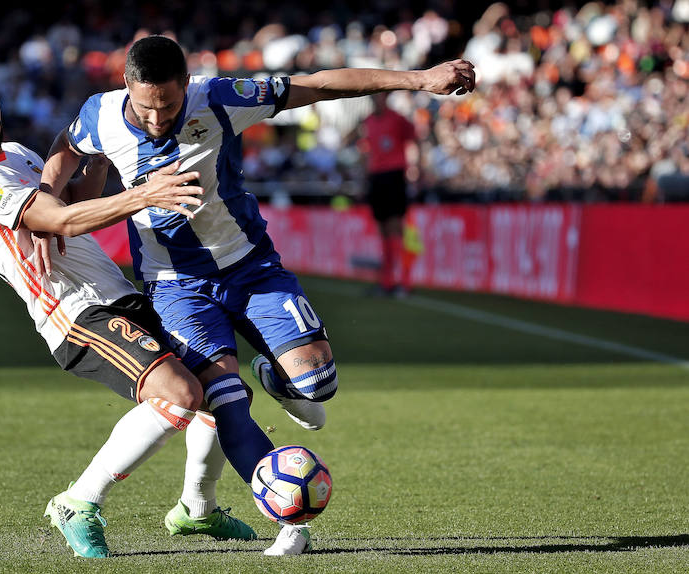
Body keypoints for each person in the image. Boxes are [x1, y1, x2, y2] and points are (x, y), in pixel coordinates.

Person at [41, 35, 476, 555]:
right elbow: (65, 151)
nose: (158, 119)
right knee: (226, 400)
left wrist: (422, 79)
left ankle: (276, 375)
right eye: (146, 106)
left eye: (170, 105)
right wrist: (47, 210)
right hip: (177, 288)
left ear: (187, 85)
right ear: (127, 88)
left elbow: (317, 85)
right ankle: (288, 521)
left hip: (252, 267)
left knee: (317, 387)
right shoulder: (102, 114)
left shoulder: (221, 97)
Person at [0, 59, 258, 559]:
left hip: (115, 294)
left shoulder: (16, 154)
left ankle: (197, 508)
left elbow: (77, 199)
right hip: (72, 311)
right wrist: (142, 194)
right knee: (179, 394)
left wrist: (98, 150)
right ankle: (78, 502)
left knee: (221, 390)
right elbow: (62, 220)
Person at [360, 94, 417, 297]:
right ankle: (387, 281)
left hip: (394, 175)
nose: (377, 100)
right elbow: (366, 151)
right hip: (377, 178)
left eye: (381, 96)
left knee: (395, 227)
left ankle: (403, 281)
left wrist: (415, 169)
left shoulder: (398, 119)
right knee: (383, 229)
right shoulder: (368, 121)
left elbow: (413, 140)